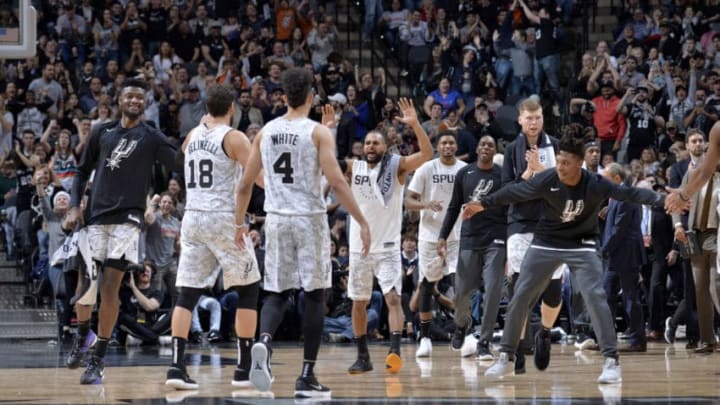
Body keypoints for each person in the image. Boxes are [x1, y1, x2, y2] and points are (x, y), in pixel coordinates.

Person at [470, 134, 665, 383]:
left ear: (579, 163)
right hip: (546, 242)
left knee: (595, 295)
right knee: (519, 294)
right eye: (558, 161)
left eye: (565, 163)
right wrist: (483, 203)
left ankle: (611, 361)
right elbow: (515, 192)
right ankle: (506, 356)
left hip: (582, 244)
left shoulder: (595, 183)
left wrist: (663, 200)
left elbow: (631, 194)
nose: (559, 167)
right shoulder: (548, 178)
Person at [235, 67, 371, 399]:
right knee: (313, 295)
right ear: (310, 96)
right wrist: (362, 221)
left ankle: (264, 342)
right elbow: (337, 182)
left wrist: (239, 223)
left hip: (276, 219)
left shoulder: (265, 131)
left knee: (277, 294)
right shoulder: (317, 133)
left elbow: (244, 184)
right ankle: (307, 375)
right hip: (309, 220)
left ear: (283, 96)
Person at [64, 78, 177, 385]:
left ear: (145, 102)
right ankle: (82, 334)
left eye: (141, 97)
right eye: (130, 96)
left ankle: (98, 358)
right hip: (97, 216)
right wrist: (75, 206)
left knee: (110, 287)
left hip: (129, 219)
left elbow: (178, 160)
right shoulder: (102, 131)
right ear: (119, 99)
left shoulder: (151, 136)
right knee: (86, 284)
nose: (135, 101)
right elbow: (81, 172)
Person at [165, 83, 262, 390]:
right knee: (248, 289)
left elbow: (184, 151)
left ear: (205, 108)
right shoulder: (233, 137)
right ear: (232, 108)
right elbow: (257, 178)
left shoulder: (192, 135)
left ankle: (177, 369)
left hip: (192, 217)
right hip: (222, 217)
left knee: (188, 294)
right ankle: (244, 369)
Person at [342, 97, 433, 375]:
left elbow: (427, 155)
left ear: (385, 147)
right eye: (367, 143)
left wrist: (416, 124)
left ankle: (394, 351)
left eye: (376, 143)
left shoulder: (397, 167)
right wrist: (329, 128)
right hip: (359, 248)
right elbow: (324, 162)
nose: (371, 147)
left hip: (389, 246)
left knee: (393, 299)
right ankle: (362, 356)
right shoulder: (353, 168)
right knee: (359, 303)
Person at [501, 97, 562, 374]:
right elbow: (505, 192)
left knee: (553, 291)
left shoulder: (556, 146)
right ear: (520, 120)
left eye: (537, 117)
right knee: (518, 289)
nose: (534, 122)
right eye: (529, 118)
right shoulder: (512, 149)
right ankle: (520, 349)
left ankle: (545, 334)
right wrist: (527, 174)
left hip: (551, 223)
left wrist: (543, 172)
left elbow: (568, 183)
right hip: (520, 224)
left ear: (542, 119)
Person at [439, 135, 507, 360]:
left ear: (494, 151)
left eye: (491, 144)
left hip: (495, 240)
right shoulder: (464, 173)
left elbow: (509, 208)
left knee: (493, 290)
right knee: (461, 293)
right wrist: (442, 236)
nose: (486, 147)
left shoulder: (502, 175)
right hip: (469, 239)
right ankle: (461, 324)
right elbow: (452, 207)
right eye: (483, 144)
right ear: (477, 149)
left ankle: (485, 342)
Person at [404, 132, 466, 358]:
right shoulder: (426, 169)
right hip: (430, 235)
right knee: (427, 286)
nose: (448, 145)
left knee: (461, 284)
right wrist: (426, 204)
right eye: (444, 143)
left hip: (457, 235)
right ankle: (425, 337)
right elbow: (408, 200)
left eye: (451, 142)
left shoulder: (464, 169)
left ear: (456, 145)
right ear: (438, 147)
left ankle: (465, 333)